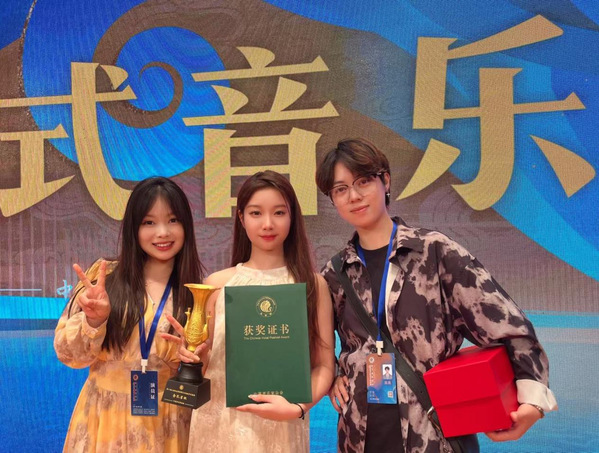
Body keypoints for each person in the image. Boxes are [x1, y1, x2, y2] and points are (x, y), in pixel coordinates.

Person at [315, 138, 557, 453]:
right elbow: (317, 345)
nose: (354, 196)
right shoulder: (334, 273)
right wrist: (332, 375)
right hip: (358, 436)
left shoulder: (433, 252)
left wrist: (532, 400)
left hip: (434, 434)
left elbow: (506, 323)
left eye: (363, 181)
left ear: (385, 180)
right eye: (341, 189)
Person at [162, 170, 335, 453]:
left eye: (279, 212)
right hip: (220, 427)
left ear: (292, 217)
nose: (268, 223)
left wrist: (298, 408)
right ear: (241, 218)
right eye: (256, 213)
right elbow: (205, 365)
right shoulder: (216, 285)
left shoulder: (313, 285)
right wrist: (193, 357)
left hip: (282, 428)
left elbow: (324, 365)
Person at [54, 177, 204, 452]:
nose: (162, 232)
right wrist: (94, 320)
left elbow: (212, 373)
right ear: (133, 228)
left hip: (169, 422)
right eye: (149, 222)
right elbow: (70, 355)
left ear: (187, 226)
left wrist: (195, 361)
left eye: (173, 220)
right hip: (103, 419)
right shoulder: (105, 279)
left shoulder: (198, 292)